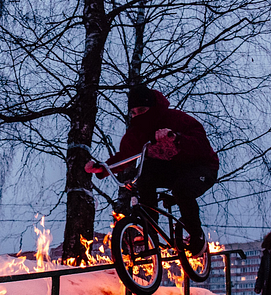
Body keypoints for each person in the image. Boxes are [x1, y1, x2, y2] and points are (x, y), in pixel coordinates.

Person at [85, 85, 219, 256]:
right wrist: (102, 168)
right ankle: (150, 234)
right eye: (133, 113)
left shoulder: (176, 119)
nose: (138, 116)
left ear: (153, 108)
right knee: (144, 177)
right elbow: (126, 156)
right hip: (172, 170)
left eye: (141, 110)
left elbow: (200, 142)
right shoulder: (136, 133)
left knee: (182, 190)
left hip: (202, 167)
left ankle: (196, 235)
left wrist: (176, 138)